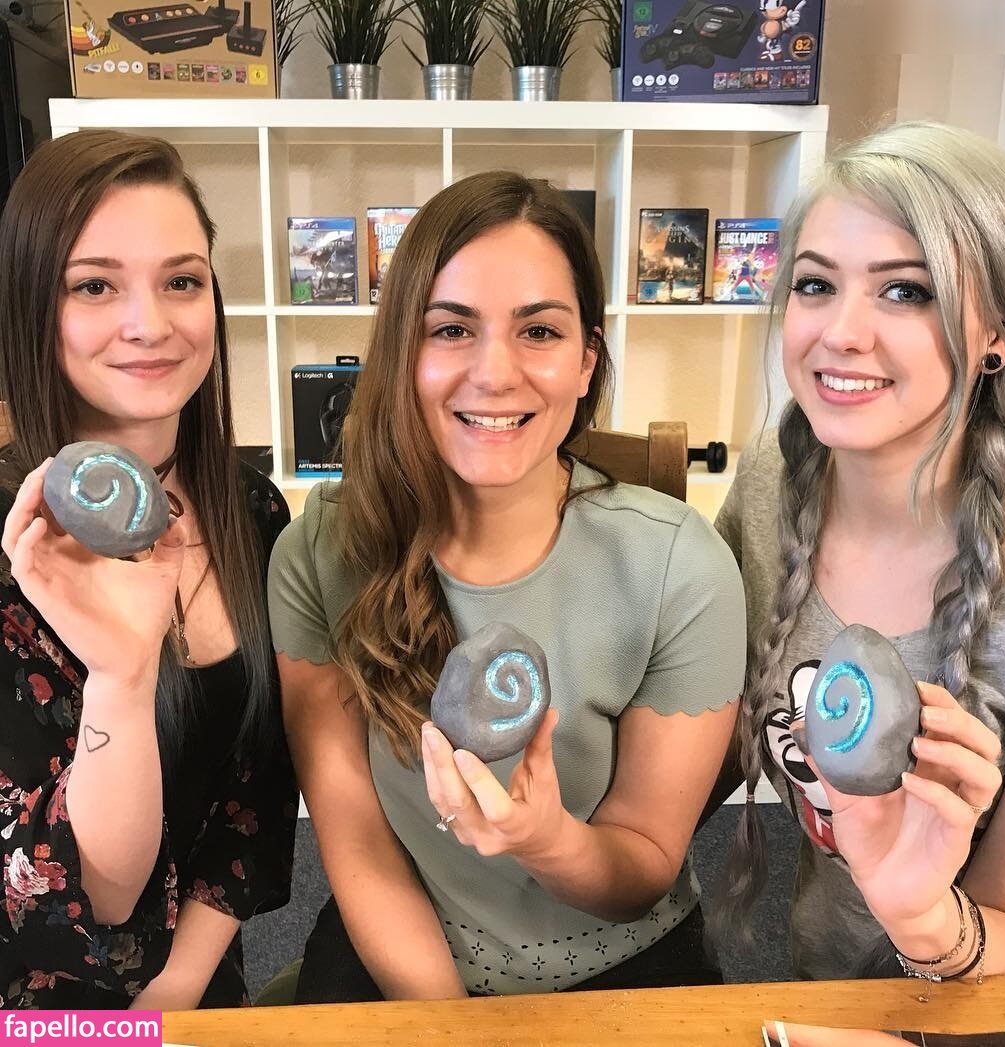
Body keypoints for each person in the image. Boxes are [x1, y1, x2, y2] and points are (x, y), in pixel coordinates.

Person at [268, 171, 746, 1001]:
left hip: (620, 958)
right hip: (404, 948)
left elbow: (641, 866)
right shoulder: (320, 552)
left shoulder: (683, 568)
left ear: (587, 359)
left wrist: (546, 839)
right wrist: (450, 1027)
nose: (495, 373)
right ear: (403, 353)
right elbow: (358, 843)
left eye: (539, 331)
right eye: (452, 329)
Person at [711, 121, 1005, 983]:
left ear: (1001, 334)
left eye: (906, 291)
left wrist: (920, 916)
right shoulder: (768, 484)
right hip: (805, 986)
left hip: (969, 1010)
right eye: (816, 284)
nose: (842, 332)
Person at [0, 130, 298, 1010]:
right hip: (38, 1004)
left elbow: (255, 788)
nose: (152, 323)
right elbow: (86, 895)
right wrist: (121, 681)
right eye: (95, 285)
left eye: (182, 281)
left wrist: (185, 983)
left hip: (194, 987)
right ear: (32, 306)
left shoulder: (252, 509)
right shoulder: (13, 543)